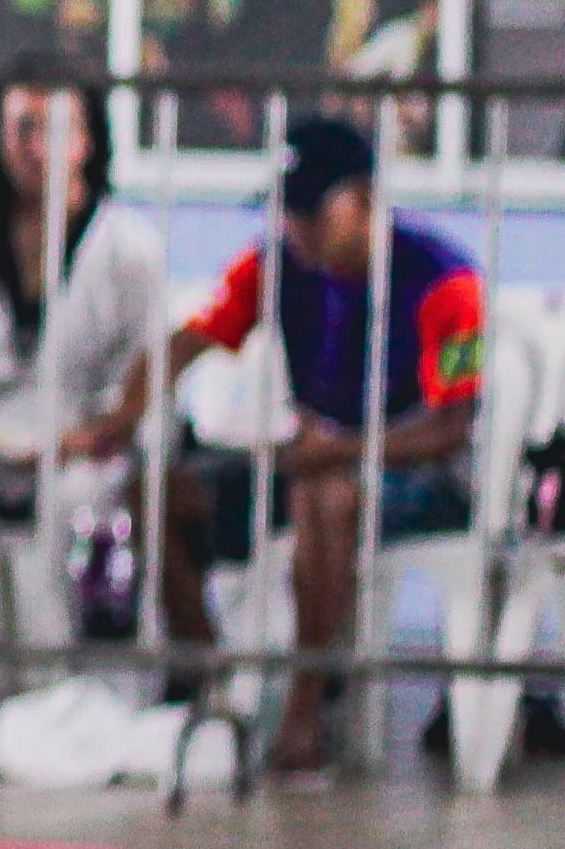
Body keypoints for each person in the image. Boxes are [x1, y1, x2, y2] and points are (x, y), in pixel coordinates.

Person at [145, 115, 482, 779]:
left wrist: (346, 449)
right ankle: (214, 680)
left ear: (362, 199)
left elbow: (453, 427)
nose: (294, 228)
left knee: (324, 494)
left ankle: (305, 710)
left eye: (310, 212)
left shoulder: (447, 280)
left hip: (423, 476)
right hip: (310, 461)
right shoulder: (272, 264)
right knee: (157, 487)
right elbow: (192, 338)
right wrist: (122, 410)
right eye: (287, 211)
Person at [0, 66, 169, 670]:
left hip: (84, 448)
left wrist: (84, 440)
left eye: (56, 129)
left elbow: (145, 379)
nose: (37, 148)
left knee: (75, 507)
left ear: (87, 142)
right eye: (22, 129)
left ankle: (62, 684)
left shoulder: (129, 248)